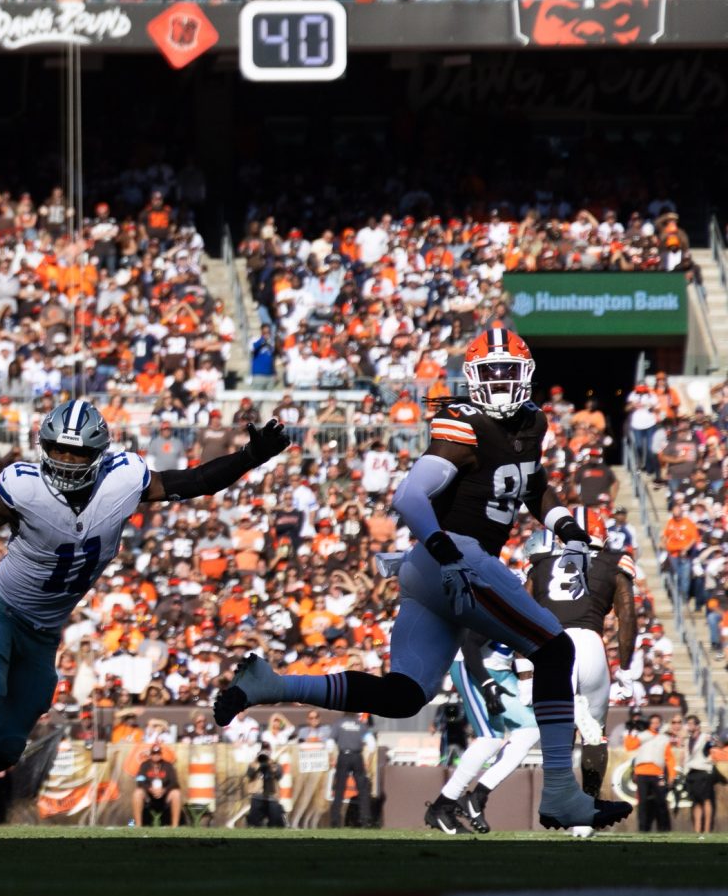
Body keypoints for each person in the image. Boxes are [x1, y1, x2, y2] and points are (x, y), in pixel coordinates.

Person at [218, 328, 630, 834]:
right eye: (491, 374)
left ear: (525, 376)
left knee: (404, 694)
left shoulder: (532, 422)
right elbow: (410, 497)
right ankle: (563, 797)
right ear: (474, 380)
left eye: (508, 373)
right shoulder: (462, 425)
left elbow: (532, 483)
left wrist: (565, 526)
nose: (501, 384)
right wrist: (444, 551)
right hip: (455, 556)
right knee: (553, 649)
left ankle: (270, 684)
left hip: (431, 569)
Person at [0, 400, 291, 838]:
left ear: (99, 453)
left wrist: (249, 457)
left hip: (45, 631)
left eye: (78, 453)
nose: (66, 461)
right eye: (58, 450)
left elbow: (195, 480)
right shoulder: (24, 487)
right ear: (43, 446)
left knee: (2, 749)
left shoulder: (123, 480)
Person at [524, 507, 635, 799]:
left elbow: (520, 614)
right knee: (594, 734)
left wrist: (523, 665)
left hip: (552, 646)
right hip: (589, 644)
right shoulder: (614, 562)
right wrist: (625, 668)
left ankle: (560, 802)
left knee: (558, 731)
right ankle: (587, 812)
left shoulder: (542, 563)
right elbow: (627, 616)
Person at [427, 635, 537, 834]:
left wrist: (526, 681)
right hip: (472, 666)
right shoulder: (502, 605)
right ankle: (442, 807)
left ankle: (477, 797)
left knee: (531, 729)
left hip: (501, 670)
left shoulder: (532, 607)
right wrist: (487, 683)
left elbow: (524, 644)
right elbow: (469, 644)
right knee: (490, 738)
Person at [329, 711, 376, 828]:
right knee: (363, 790)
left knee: (339, 789)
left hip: (343, 756)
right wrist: (368, 758)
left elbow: (330, 742)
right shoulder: (360, 724)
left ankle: (335, 820)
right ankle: (366, 820)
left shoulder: (339, 724)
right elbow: (372, 744)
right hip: (357, 756)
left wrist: (331, 757)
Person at [630, 714, 673, 832]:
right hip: (642, 772)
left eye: (657, 722)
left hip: (657, 772)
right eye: (653, 722)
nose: (655, 725)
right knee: (643, 802)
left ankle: (664, 828)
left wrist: (672, 775)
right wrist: (630, 732)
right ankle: (643, 828)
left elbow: (669, 758)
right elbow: (629, 746)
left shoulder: (664, 739)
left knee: (661, 801)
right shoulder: (642, 736)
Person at [133, 743, 182, 827]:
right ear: (150, 755)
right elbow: (139, 780)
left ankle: (175, 826)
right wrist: (149, 788)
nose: (156, 756)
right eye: (154, 753)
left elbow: (174, 782)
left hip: (164, 796)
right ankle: (138, 825)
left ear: (161, 754)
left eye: (158, 753)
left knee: (176, 793)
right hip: (149, 796)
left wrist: (164, 790)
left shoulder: (168, 765)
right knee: (137, 793)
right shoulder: (144, 765)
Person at [682, 716, 716, 834]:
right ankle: (697, 830)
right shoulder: (688, 740)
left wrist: (708, 761)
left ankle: (706, 830)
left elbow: (712, 748)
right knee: (696, 802)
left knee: (706, 800)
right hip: (691, 772)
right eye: (688, 724)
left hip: (703, 771)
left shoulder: (705, 738)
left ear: (697, 726)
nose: (689, 726)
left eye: (692, 724)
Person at [245, 746, 284, 827]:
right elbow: (249, 775)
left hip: (271, 797)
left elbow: (279, 776)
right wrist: (257, 765)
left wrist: (271, 766)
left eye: (265, 758)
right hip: (257, 796)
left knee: (274, 822)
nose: (263, 760)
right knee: (254, 822)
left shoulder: (274, 765)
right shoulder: (253, 765)